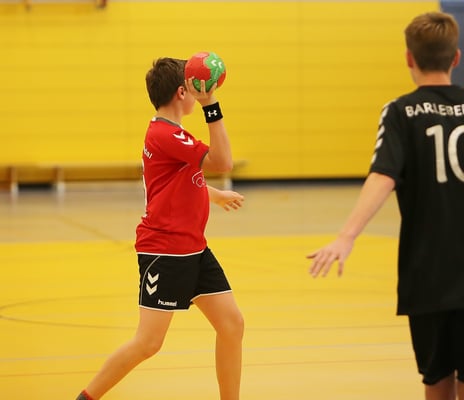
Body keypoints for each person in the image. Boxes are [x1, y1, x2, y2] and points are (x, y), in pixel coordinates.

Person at [307, 11, 464, 400]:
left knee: (437, 379)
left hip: (428, 274)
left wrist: (347, 236)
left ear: (409, 58)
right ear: (456, 57)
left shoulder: (400, 112)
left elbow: (383, 175)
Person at [76, 57, 245, 400]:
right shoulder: (165, 133)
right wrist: (211, 104)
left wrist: (214, 196)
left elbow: (176, 183)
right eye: (193, 88)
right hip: (166, 252)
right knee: (148, 343)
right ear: (183, 92)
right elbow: (223, 161)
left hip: (194, 249)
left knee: (232, 324)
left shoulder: (172, 133)